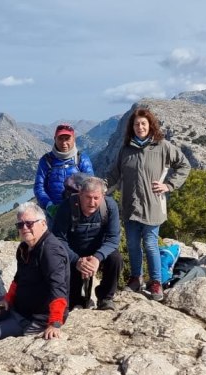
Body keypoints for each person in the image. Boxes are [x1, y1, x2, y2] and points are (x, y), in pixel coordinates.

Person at [107, 107, 191, 302]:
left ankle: (156, 282)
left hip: (153, 205)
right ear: (132, 127)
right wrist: (100, 189)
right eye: (136, 124)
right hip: (130, 205)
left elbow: (184, 165)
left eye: (143, 123)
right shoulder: (126, 149)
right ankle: (136, 279)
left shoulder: (162, 146)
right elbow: (114, 174)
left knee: (151, 244)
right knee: (133, 245)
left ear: (150, 125)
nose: (140, 127)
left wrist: (169, 185)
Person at [0, 203, 69, 341]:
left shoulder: (50, 251)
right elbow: (19, 278)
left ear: (43, 223)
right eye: (20, 225)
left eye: (29, 224)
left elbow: (58, 288)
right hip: (20, 307)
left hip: (37, 317)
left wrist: (55, 323)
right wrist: (8, 299)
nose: (24, 228)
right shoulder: (24, 248)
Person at [52, 175, 123, 311]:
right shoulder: (67, 207)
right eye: (88, 197)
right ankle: (75, 301)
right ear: (80, 194)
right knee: (63, 262)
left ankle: (105, 298)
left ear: (103, 196)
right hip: (74, 250)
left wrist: (97, 258)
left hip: (98, 249)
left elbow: (113, 238)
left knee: (115, 259)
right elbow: (58, 239)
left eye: (96, 198)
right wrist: (76, 260)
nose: (92, 202)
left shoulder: (109, 206)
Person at [34, 124, 94, 216]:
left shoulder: (82, 159)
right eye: (60, 139)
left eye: (67, 139)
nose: (64, 143)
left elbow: (91, 185)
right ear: (55, 139)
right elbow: (39, 187)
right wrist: (49, 205)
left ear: (74, 139)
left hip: (78, 212)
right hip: (53, 214)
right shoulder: (46, 160)